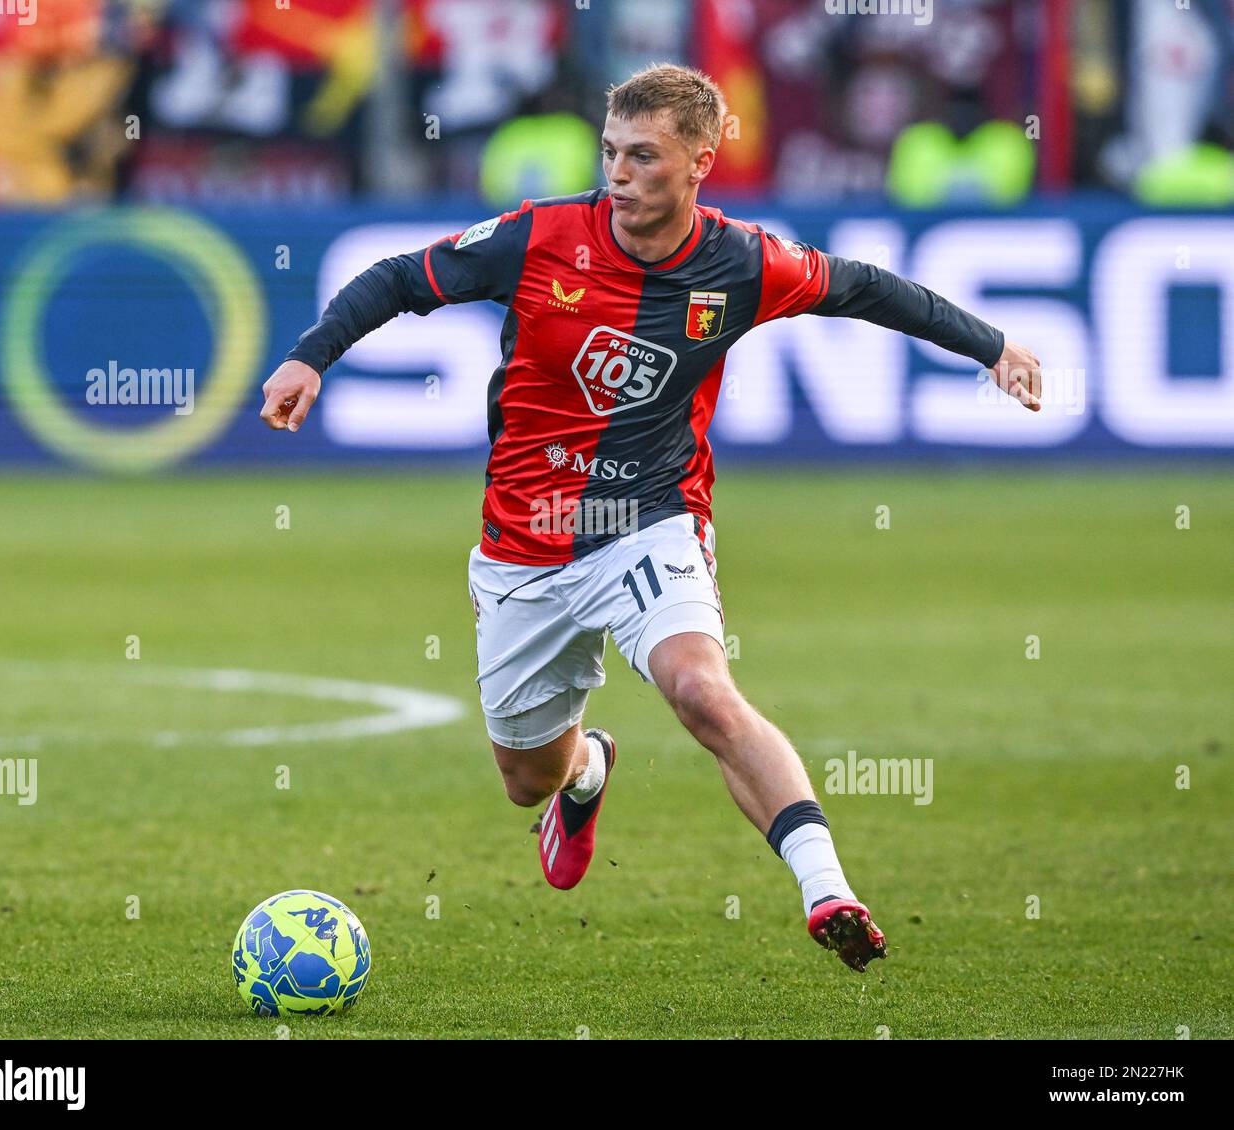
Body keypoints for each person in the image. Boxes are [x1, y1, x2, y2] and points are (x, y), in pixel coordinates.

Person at [260, 63, 1042, 973]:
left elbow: (864, 287)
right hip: (522, 543)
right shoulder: (539, 238)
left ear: (700, 163)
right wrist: (310, 358)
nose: (618, 174)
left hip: (650, 517)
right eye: (610, 153)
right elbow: (400, 278)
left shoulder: (742, 262)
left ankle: (826, 885)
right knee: (527, 780)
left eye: (642, 156)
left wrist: (993, 346)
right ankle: (586, 769)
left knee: (704, 691)